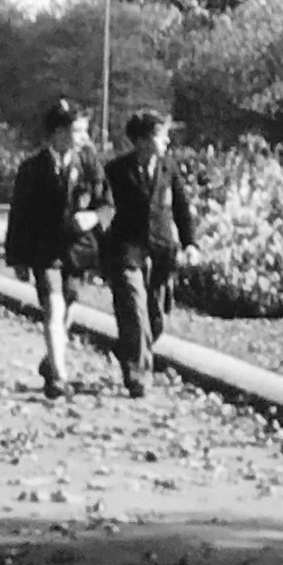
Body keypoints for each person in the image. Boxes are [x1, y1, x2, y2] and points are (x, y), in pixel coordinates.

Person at [3, 97, 109, 400]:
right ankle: (59, 379)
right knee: (54, 307)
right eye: (78, 131)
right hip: (44, 251)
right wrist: (17, 258)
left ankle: (53, 359)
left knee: (69, 307)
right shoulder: (32, 169)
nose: (84, 138)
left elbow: (107, 204)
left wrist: (94, 218)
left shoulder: (89, 164)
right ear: (58, 133)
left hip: (78, 250)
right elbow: (18, 216)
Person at [100, 108, 196, 398]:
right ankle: (138, 374)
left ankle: (128, 350)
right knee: (134, 309)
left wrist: (190, 243)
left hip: (161, 250)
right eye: (161, 136)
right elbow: (104, 210)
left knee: (155, 319)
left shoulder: (169, 168)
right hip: (127, 250)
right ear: (141, 140)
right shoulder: (116, 171)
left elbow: (181, 208)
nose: (166, 141)